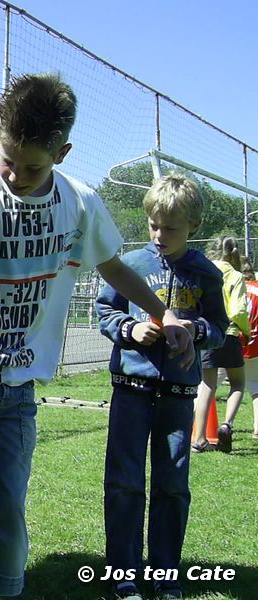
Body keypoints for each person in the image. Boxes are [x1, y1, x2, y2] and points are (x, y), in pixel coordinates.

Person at [0, 73, 194, 600]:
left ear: (62, 152)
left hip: (18, 393)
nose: (17, 176)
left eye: (33, 166)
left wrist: (165, 314)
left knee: (3, 529)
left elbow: (113, 266)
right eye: (7, 159)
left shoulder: (80, 203)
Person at [96, 173, 227, 600]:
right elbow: (104, 312)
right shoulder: (129, 265)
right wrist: (130, 329)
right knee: (123, 483)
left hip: (178, 397)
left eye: (170, 227)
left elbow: (220, 329)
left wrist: (197, 330)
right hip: (130, 390)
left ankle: (165, 572)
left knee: (172, 486)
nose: (159, 234)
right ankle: (124, 573)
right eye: (154, 223)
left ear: (194, 225)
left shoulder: (206, 273)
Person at [192, 236, 249, 453]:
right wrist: (245, 330)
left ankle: (198, 439)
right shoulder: (235, 276)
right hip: (230, 333)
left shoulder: (203, 271)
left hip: (206, 333)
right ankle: (227, 425)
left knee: (207, 385)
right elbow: (238, 311)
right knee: (237, 383)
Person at [239, 264, 258, 438]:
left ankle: (195, 427)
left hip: (233, 340)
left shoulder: (234, 286)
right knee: (255, 387)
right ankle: (257, 428)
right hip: (255, 345)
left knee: (208, 385)